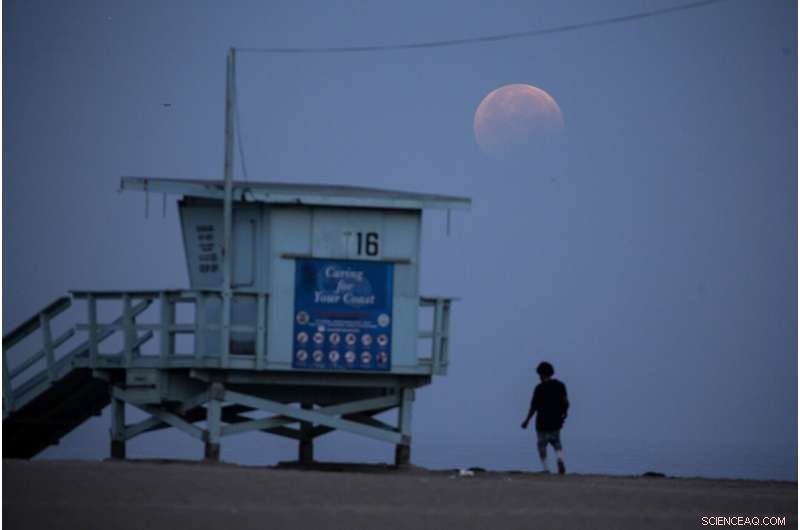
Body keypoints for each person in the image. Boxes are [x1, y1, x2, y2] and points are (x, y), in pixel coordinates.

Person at [521, 361, 569, 474]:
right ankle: (560, 459)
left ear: (541, 374)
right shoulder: (560, 385)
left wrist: (526, 421)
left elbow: (533, 407)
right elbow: (566, 402)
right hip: (556, 420)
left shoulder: (539, 388)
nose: (538, 377)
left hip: (542, 421)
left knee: (542, 445)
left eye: (539, 374)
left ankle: (546, 468)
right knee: (557, 442)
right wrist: (564, 414)